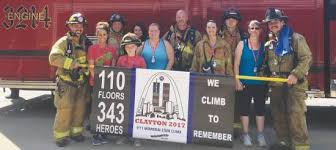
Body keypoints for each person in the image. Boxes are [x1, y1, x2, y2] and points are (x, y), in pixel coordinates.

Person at [263, 8, 312, 150]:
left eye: (276, 21)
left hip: (294, 85)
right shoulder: (270, 44)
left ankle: (300, 146)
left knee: (296, 115)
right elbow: (266, 65)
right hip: (276, 84)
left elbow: (307, 58)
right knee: (278, 115)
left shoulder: (296, 38)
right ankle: (283, 143)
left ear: (283, 22)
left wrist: (295, 74)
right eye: (270, 22)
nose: (273, 24)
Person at [49, 12, 92, 147]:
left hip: (82, 83)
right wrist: (72, 64)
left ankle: (76, 133)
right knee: (65, 109)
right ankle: (61, 136)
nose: (78, 28)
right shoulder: (63, 42)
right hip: (66, 83)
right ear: (70, 26)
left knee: (80, 109)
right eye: (75, 25)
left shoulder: (86, 42)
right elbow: (53, 58)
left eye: (80, 25)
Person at [234, 20, 267, 147]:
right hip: (245, 83)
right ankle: (246, 134)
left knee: (260, 110)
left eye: (257, 28)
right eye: (252, 28)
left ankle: (260, 134)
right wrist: (237, 80)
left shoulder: (264, 45)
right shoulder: (242, 44)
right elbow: (236, 64)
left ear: (260, 31)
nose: (254, 30)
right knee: (244, 110)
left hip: (260, 84)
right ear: (248, 30)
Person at [87, 22, 117, 146]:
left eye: (104, 34)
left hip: (108, 84)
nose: (101, 37)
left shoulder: (112, 49)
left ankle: (103, 132)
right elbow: (91, 66)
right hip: (96, 83)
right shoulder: (92, 49)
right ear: (96, 35)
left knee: (106, 108)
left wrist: (109, 81)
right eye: (99, 34)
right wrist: (99, 81)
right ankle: (95, 135)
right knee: (96, 109)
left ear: (107, 35)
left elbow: (113, 65)